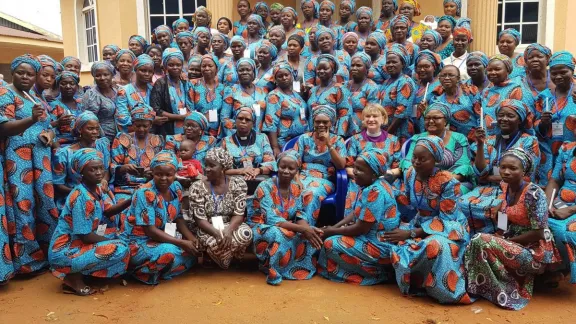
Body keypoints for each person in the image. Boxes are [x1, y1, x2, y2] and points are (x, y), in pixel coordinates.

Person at [466, 148, 561, 310]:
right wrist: (500, 233)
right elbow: (505, 215)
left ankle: (498, 289)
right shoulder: (506, 187)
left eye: (513, 168)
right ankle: (486, 287)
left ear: (524, 171)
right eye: (503, 167)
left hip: (534, 253)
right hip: (513, 243)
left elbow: (540, 232)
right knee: (476, 243)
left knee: (479, 240)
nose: (506, 172)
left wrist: (508, 241)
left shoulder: (534, 194)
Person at [390, 136, 472, 304]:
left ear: (435, 160)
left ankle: (442, 290)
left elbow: (447, 218)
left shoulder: (447, 181)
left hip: (448, 228)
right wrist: (388, 191)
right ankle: (418, 284)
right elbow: (408, 201)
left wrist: (411, 233)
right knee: (392, 242)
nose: (416, 162)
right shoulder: (410, 174)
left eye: (422, 159)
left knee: (435, 246)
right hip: (420, 223)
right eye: (414, 157)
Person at [0, 54, 58, 275]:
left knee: (44, 202)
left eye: (30, 73)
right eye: (21, 72)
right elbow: (3, 128)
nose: (25, 76)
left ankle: (49, 253)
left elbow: (49, 124)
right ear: (12, 73)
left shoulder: (33, 97)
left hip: (40, 158)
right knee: (23, 205)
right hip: (18, 160)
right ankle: (27, 262)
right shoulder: (6, 94)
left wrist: (50, 134)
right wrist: (32, 120)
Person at [48, 148, 131, 296]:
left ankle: (84, 272)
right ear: (82, 172)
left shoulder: (96, 188)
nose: (99, 172)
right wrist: (112, 240)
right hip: (65, 251)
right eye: (93, 169)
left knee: (123, 239)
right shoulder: (81, 197)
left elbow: (108, 210)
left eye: (101, 168)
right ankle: (72, 277)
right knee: (121, 248)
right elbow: (85, 236)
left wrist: (131, 199)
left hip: (79, 243)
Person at [458, 99, 540, 234]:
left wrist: (490, 177)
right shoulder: (489, 140)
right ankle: (474, 239)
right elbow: (480, 173)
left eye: (510, 116)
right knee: (462, 203)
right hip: (487, 188)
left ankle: (501, 237)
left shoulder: (529, 141)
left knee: (500, 209)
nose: (504, 119)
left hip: (515, 190)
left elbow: (524, 176)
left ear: (519, 120)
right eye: (501, 115)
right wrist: (480, 145)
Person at [318, 150, 400, 285]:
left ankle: (378, 274)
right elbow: (356, 213)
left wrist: (330, 231)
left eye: (360, 170)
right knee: (332, 236)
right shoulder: (373, 184)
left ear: (374, 173)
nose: (354, 172)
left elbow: (361, 228)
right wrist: (334, 227)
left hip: (379, 244)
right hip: (373, 236)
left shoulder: (375, 191)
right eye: (355, 167)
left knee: (331, 244)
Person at [122, 150, 199, 285]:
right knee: (169, 252)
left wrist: (191, 239)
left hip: (162, 237)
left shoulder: (176, 187)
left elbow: (178, 217)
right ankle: (137, 271)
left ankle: (160, 269)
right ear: (152, 173)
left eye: (168, 174)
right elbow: (149, 231)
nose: (164, 178)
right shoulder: (145, 193)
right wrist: (181, 242)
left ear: (175, 174)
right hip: (139, 242)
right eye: (159, 174)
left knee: (193, 253)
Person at [248, 150, 321, 285]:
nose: (286, 171)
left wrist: (308, 229)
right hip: (262, 226)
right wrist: (302, 229)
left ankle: (296, 269)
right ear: (277, 167)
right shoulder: (265, 186)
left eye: (291, 168)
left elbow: (300, 213)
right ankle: (272, 270)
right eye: (283, 167)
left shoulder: (296, 188)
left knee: (311, 234)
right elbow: (271, 219)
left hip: (286, 224)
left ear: (297, 170)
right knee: (279, 234)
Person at [189, 147, 254, 269]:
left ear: (223, 168)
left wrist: (228, 230)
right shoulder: (197, 187)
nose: (207, 169)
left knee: (246, 234)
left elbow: (239, 214)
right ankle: (228, 260)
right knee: (216, 243)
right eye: (206, 165)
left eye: (212, 166)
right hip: (207, 227)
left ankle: (222, 260)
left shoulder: (238, 184)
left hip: (230, 224)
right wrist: (217, 233)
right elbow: (199, 219)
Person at [398, 103, 474, 191]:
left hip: (450, 182)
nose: (430, 121)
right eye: (427, 118)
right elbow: (408, 162)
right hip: (419, 180)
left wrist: (440, 182)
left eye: (436, 118)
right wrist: (422, 180)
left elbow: (462, 167)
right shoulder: (417, 138)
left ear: (445, 121)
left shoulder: (459, 138)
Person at [293, 106, 347, 223]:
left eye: (325, 122)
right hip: (302, 175)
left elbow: (341, 165)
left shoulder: (338, 140)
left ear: (331, 123)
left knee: (311, 193)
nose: (321, 125)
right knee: (293, 190)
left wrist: (329, 143)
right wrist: (297, 180)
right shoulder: (304, 138)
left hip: (324, 179)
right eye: (318, 121)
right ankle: (290, 226)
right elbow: (294, 162)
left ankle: (306, 229)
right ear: (313, 122)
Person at [53, 112, 111, 210]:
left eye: (97, 129)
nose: (95, 132)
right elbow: (58, 184)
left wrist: (104, 180)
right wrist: (81, 192)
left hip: (99, 192)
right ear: (80, 130)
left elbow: (106, 170)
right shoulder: (64, 154)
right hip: (74, 194)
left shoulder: (102, 146)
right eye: (90, 129)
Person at [535, 51, 576, 186]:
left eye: (563, 72)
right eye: (553, 73)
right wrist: (543, 122)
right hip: (548, 150)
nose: (558, 76)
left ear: (572, 70)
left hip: (572, 150)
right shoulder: (544, 96)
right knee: (549, 187)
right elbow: (536, 126)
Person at [111, 103, 165, 203]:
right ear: (132, 123)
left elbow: (162, 165)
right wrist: (123, 168)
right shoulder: (122, 139)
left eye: (145, 126)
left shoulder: (157, 141)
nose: (141, 129)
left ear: (151, 125)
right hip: (125, 189)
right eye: (138, 125)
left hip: (151, 187)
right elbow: (112, 166)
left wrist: (153, 172)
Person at [221, 107, 276, 186]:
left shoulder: (262, 138)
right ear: (235, 121)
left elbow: (271, 164)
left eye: (247, 120)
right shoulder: (226, 141)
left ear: (253, 123)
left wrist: (258, 170)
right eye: (240, 118)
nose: (243, 121)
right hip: (234, 183)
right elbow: (221, 169)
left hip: (258, 180)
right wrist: (241, 171)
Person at [546, 141, 576, 285]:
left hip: (572, 209)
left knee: (569, 230)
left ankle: (566, 269)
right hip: (560, 203)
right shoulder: (567, 149)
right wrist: (547, 204)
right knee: (536, 220)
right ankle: (547, 268)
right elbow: (555, 180)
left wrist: (570, 210)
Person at [482, 55, 534, 137]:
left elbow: (527, 118)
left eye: (497, 69)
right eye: (489, 70)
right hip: (488, 141)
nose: (492, 72)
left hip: (511, 139)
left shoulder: (517, 88)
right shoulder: (486, 92)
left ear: (507, 71)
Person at [346, 103, 402, 179]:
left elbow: (398, 169)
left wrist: (387, 174)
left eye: (375, 116)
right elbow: (348, 167)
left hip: (386, 181)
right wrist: (364, 176)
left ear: (383, 119)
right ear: (363, 119)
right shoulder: (355, 140)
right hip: (361, 181)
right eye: (368, 116)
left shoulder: (394, 140)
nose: (371, 119)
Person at [263, 62, 308, 156]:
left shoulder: (295, 94)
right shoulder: (274, 96)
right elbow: (271, 123)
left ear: (291, 75)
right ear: (275, 79)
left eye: (286, 75)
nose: (284, 78)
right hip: (285, 142)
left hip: (301, 140)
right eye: (280, 76)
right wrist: (275, 147)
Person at [431, 64, 481, 141]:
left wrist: (480, 139)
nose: (447, 78)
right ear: (439, 79)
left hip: (473, 139)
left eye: (451, 75)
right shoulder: (436, 99)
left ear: (458, 78)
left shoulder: (470, 92)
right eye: (443, 75)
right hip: (450, 141)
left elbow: (480, 116)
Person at [306, 54, 352, 137]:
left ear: (333, 70)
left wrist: (339, 137)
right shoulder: (312, 91)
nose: (321, 71)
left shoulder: (339, 89)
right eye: (319, 68)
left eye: (325, 68)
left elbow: (345, 115)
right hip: (313, 136)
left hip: (332, 136)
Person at [221, 58, 267, 137]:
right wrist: (240, 134)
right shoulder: (231, 90)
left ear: (254, 72)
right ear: (237, 73)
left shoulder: (263, 91)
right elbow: (225, 118)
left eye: (248, 70)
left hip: (258, 137)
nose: (244, 72)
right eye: (241, 70)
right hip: (237, 136)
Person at [380, 43, 417, 143]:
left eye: (394, 62)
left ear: (403, 64)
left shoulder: (405, 82)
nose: (390, 65)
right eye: (388, 62)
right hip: (384, 129)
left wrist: (387, 134)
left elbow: (401, 113)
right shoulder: (386, 82)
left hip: (399, 130)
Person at [150, 48, 188, 136]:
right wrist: (179, 117)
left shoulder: (185, 83)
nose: (175, 67)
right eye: (171, 65)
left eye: (178, 65)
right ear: (166, 66)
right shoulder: (160, 83)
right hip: (168, 129)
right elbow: (156, 109)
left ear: (182, 66)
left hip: (186, 129)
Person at [187, 54, 225, 138]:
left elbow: (224, 113)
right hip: (197, 132)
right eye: (204, 66)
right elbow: (190, 109)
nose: (207, 68)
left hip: (218, 133)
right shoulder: (193, 84)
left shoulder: (222, 88)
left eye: (210, 66)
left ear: (217, 69)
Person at [115, 54, 156, 133]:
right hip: (131, 136)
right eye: (143, 70)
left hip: (152, 135)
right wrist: (151, 119)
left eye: (150, 71)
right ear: (135, 70)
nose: (147, 74)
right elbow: (122, 118)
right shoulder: (124, 91)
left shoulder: (153, 90)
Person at [83, 61, 118, 141]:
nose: (102, 78)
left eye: (106, 75)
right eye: (98, 75)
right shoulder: (91, 94)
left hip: (120, 137)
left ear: (112, 75)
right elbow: (89, 119)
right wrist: (102, 138)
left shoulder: (118, 91)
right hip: (100, 138)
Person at [347, 52, 380, 136]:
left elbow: (371, 114)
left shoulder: (372, 87)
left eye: (358, 65)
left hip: (361, 132)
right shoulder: (344, 85)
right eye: (352, 65)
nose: (354, 68)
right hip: (343, 130)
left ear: (367, 69)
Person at [47, 71, 83, 146]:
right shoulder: (54, 104)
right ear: (58, 86)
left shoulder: (81, 104)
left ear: (77, 86)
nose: (68, 86)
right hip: (61, 145)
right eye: (63, 84)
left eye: (72, 84)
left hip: (81, 144)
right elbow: (48, 127)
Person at [412, 50, 442, 133]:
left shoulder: (440, 85)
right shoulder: (414, 85)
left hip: (432, 129)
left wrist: (427, 109)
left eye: (426, 66)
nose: (422, 69)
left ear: (434, 67)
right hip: (413, 129)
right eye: (419, 67)